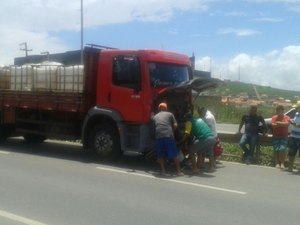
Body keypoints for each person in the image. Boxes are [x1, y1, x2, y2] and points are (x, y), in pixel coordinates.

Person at [152, 102, 183, 176]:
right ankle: (178, 172)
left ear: (159, 109)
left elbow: (153, 127)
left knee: (161, 155)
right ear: (166, 108)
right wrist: (173, 131)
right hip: (168, 135)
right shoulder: (170, 114)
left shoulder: (155, 116)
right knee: (175, 154)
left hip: (159, 136)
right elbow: (175, 125)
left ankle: (163, 171)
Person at [271, 105, 290, 169]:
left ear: (283, 110)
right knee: (276, 149)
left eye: (280, 110)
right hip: (276, 136)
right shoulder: (274, 117)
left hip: (284, 136)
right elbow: (273, 126)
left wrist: (278, 123)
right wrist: (282, 124)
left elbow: (287, 124)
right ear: (276, 111)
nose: (279, 111)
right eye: (278, 110)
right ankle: (277, 163)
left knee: (282, 149)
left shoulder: (287, 117)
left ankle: (282, 163)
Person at [287, 101, 300, 172]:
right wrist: (291, 121)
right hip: (293, 136)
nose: (296, 109)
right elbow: (295, 121)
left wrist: (295, 124)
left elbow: (297, 124)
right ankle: (290, 167)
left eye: (297, 107)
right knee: (291, 152)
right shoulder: (296, 113)